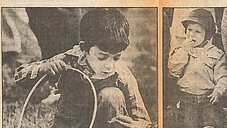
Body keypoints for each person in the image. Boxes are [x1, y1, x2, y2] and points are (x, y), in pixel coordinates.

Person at [15, 8, 151, 128]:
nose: (109, 65)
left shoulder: (121, 74)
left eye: (116, 57)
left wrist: (138, 125)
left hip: (104, 124)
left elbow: (143, 119)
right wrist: (44, 68)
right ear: (84, 49)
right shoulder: (69, 60)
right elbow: (19, 76)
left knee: (112, 95)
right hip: (70, 123)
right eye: (102, 57)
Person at [168, 8, 227, 128]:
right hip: (187, 97)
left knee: (211, 120)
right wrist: (184, 50)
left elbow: (223, 76)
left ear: (208, 34)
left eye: (197, 32)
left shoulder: (216, 53)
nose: (191, 34)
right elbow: (173, 69)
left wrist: (218, 90)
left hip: (209, 98)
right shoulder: (181, 50)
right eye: (189, 30)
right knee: (188, 122)